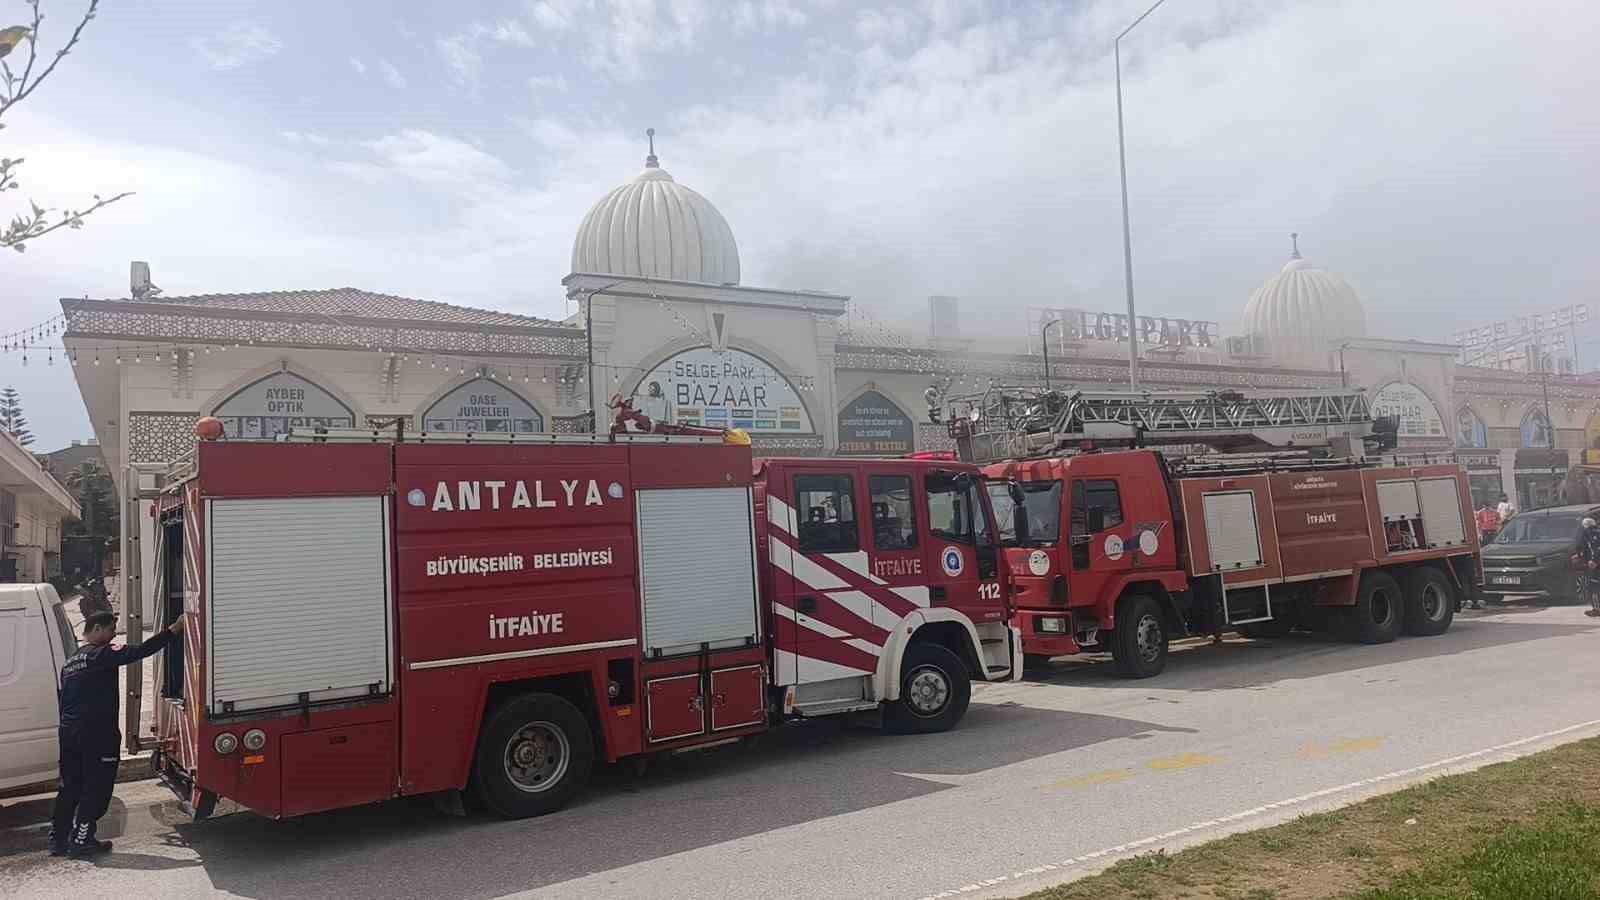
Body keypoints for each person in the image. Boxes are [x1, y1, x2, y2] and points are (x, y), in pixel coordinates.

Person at [49, 611, 184, 858]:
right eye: (111, 630)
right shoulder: (102, 654)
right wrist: (173, 630)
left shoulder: (70, 662)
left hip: (69, 733)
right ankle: (82, 840)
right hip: (96, 734)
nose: (113, 635)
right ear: (98, 628)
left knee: (70, 787)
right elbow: (140, 650)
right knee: (97, 788)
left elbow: (62, 700)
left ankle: (58, 841)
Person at [1580, 517, 1600, 618]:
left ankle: (1597, 610)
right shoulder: (1593, 532)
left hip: (1596, 566)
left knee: (1593, 587)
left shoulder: (1592, 533)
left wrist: (1594, 560)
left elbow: (1595, 549)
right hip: (1595, 564)